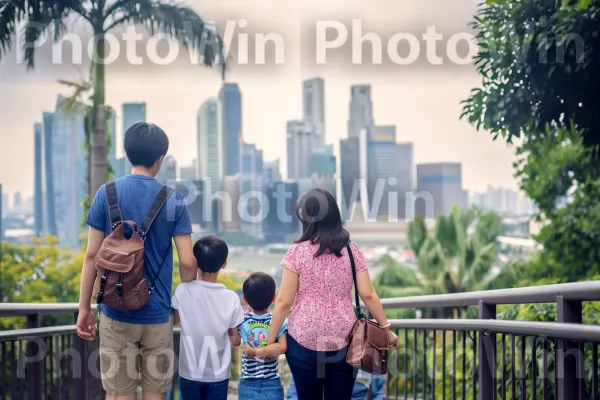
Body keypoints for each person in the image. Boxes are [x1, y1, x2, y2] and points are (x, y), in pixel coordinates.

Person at [76, 123, 197, 400]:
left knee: (119, 393)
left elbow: (92, 256)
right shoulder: (175, 201)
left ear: (127, 156)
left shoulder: (105, 194)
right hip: (157, 314)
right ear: (160, 159)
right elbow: (188, 263)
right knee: (155, 393)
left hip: (116, 312)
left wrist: (84, 307)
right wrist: (181, 299)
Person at [267, 188, 398, 400]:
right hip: (343, 341)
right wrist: (386, 329)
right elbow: (368, 294)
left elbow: (283, 302)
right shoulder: (351, 250)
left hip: (303, 341)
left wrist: (271, 339)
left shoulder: (297, 252)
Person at [171, 235, 244, 400]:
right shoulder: (231, 298)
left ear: (195, 261)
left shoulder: (183, 290)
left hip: (189, 373)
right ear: (224, 263)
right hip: (218, 375)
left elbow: (174, 320)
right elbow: (235, 340)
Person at [238, 272, 288, 400]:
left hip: (247, 382)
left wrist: (254, 351)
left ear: (245, 299)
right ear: (274, 298)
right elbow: (282, 347)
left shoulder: (242, 321)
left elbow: (234, 339)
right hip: (271, 382)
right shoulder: (279, 321)